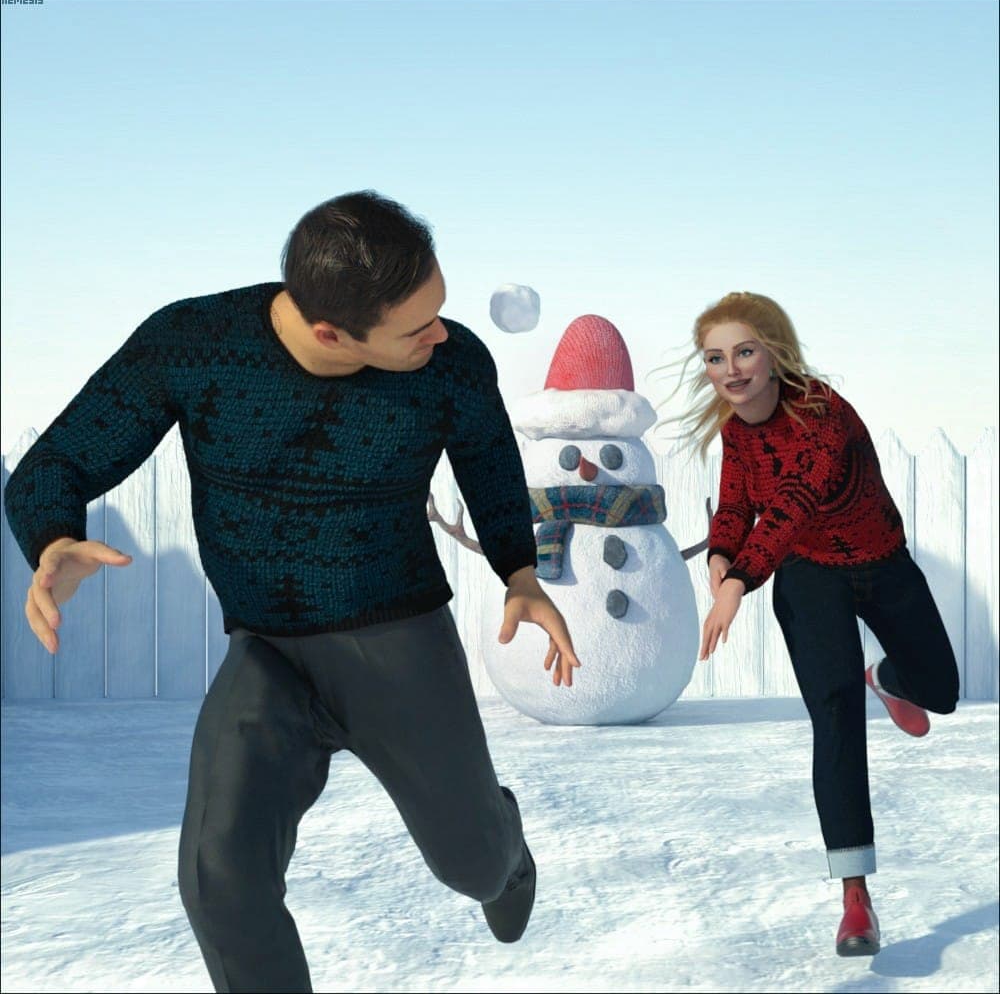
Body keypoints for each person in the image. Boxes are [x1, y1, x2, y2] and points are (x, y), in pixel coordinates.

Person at [4, 190, 582, 992]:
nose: (440, 333)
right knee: (219, 879)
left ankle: (503, 849)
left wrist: (519, 570)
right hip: (266, 652)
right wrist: (52, 536)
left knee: (473, 867)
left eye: (438, 309)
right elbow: (58, 463)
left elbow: (486, 460)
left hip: (399, 644)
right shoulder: (193, 343)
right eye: (416, 326)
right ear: (331, 333)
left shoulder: (451, 364)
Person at [669, 291, 959, 957]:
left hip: (879, 561)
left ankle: (885, 676)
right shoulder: (738, 433)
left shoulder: (821, 412)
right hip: (808, 576)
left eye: (745, 351)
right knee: (834, 718)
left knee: (940, 689)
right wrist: (720, 555)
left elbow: (794, 501)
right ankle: (855, 897)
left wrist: (739, 581)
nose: (732, 369)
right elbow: (739, 505)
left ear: (774, 354)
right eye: (716, 358)